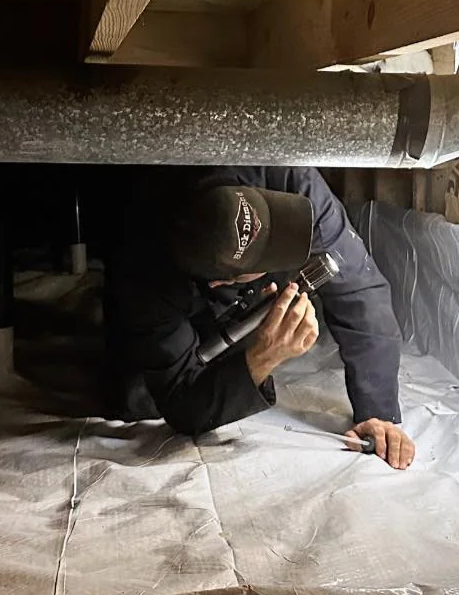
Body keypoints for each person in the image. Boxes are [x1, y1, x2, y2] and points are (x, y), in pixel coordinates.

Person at [104, 166, 416, 469]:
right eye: (272, 251)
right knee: (138, 402)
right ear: (221, 281)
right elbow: (179, 401)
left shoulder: (290, 181)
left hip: (240, 213)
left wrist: (377, 411)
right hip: (166, 283)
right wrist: (262, 358)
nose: (288, 242)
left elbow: (358, 285)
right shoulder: (143, 276)